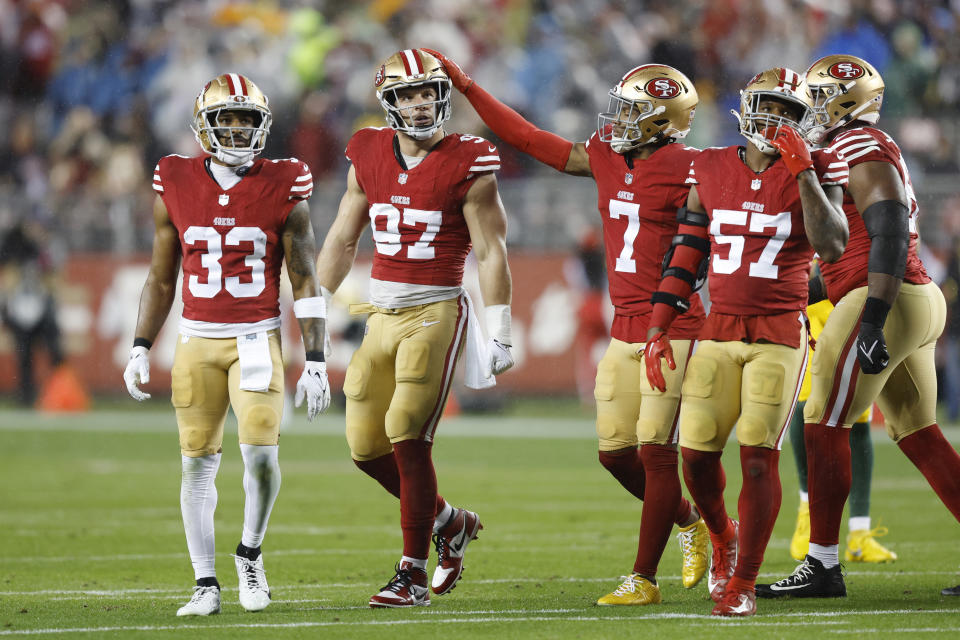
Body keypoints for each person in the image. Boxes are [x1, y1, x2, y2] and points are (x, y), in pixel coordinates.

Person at [424, 48, 709, 606]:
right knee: (614, 455)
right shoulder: (605, 154)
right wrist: (467, 86)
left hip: (674, 329)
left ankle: (643, 578)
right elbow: (529, 138)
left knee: (656, 453)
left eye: (632, 110)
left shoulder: (693, 167)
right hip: (622, 328)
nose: (618, 120)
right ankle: (691, 521)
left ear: (661, 119)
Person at [644, 67, 850, 617]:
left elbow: (832, 246)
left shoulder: (819, 165)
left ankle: (744, 583)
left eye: (788, 111)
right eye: (768, 106)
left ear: (803, 121)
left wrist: (803, 170)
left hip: (780, 333)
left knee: (759, 459)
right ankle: (721, 534)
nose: (775, 120)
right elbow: (687, 253)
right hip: (718, 328)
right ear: (747, 105)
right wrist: (659, 325)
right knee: (695, 457)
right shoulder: (708, 165)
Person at [123, 73, 330, 617]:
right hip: (195, 340)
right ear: (204, 125)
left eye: (247, 120)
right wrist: (141, 343)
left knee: (261, 458)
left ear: (263, 126)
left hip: (255, 339)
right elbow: (162, 275)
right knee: (196, 466)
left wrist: (316, 359)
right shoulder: (174, 178)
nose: (237, 130)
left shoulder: (285, 181)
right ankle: (205, 583)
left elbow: (305, 277)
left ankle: (250, 554)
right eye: (226, 120)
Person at [314, 49, 514, 608]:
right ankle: (450, 522)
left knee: (407, 429)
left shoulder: (469, 160)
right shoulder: (367, 150)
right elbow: (341, 238)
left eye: (429, 92)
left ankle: (411, 574)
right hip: (381, 312)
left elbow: (492, 253)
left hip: (436, 310)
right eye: (408, 94)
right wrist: (313, 313)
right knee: (364, 446)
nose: (421, 103)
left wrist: (499, 326)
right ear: (388, 102)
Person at [757, 54, 960, 600]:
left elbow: (889, 225)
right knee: (919, 434)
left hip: (886, 297)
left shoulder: (858, 144)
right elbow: (852, 253)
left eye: (820, 98)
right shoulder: (860, 145)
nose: (810, 111)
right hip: (908, 295)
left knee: (823, 419)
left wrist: (872, 315)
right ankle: (823, 561)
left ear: (846, 102)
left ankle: (822, 564)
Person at [786, 261, 897, 564]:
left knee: (860, 414)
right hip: (821, 293)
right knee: (811, 399)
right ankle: (806, 511)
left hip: (860, 291)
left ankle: (859, 533)